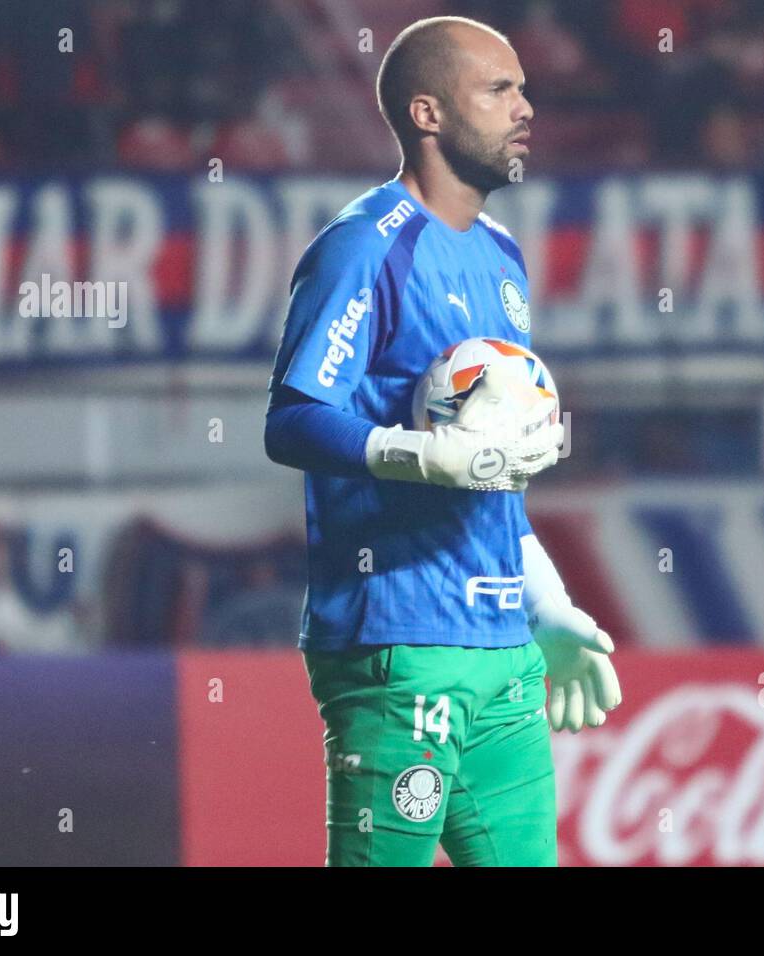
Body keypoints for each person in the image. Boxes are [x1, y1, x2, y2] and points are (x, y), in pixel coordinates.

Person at [264, 16, 622, 867]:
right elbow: (292, 419)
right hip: (401, 648)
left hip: (505, 656)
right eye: (499, 90)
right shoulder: (364, 247)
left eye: (524, 89)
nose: (525, 108)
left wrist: (550, 607)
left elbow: (495, 481)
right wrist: (422, 455)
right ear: (427, 113)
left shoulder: (502, 258)